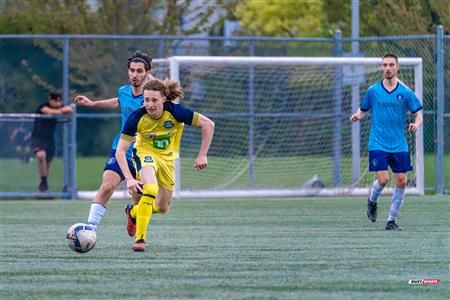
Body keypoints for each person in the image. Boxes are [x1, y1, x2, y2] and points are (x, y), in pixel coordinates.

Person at [116, 78, 215, 251]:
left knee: (162, 207)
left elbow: (208, 124)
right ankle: (140, 240)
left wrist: (202, 155)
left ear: (164, 99)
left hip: (168, 159)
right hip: (144, 153)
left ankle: (133, 213)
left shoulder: (176, 112)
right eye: (146, 100)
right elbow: (120, 151)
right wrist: (129, 178)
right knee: (151, 189)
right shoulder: (136, 118)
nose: (150, 104)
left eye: (154, 100)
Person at [74, 51, 152, 233]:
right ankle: (90, 229)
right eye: (132, 70)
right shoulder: (123, 91)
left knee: (139, 198)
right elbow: (118, 101)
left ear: (147, 72)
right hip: (121, 148)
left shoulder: (152, 97)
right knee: (107, 185)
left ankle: (133, 213)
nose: (135, 75)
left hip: (143, 153)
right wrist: (92, 103)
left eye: (139, 71)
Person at [349, 53, 423, 231]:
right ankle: (372, 201)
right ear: (381, 68)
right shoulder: (373, 91)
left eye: (391, 65)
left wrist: (416, 124)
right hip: (378, 142)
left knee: (402, 181)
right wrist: (357, 115)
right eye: (385, 65)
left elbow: (419, 113)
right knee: (383, 180)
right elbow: (364, 108)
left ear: (397, 67)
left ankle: (391, 220)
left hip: (399, 143)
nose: (388, 68)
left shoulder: (405, 93)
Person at [31, 92, 73, 192]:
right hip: (38, 138)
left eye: (59, 101)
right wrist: (59, 111)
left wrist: (59, 110)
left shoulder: (58, 107)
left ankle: (42, 187)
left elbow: (69, 109)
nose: (58, 103)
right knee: (41, 156)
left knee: (47, 164)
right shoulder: (43, 106)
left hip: (50, 139)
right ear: (50, 100)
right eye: (55, 101)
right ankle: (43, 184)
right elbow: (47, 111)